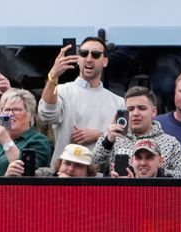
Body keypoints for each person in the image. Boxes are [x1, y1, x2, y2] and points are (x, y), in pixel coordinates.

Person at [38, 36, 124, 168]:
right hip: (64, 174)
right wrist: (53, 76)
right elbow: (46, 114)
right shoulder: (61, 90)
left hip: (101, 178)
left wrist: (100, 135)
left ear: (105, 61)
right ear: (78, 59)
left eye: (95, 55)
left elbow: (125, 143)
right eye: (84, 54)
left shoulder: (118, 102)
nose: (89, 59)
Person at [90, 86, 181, 177]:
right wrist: (108, 142)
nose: (135, 113)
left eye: (142, 108)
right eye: (130, 109)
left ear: (154, 111)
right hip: (119, 196)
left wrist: (154, 173)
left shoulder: (171, 143)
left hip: (158, 197)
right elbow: (92, 168)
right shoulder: (112, 138)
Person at [0, 88, 53, 176]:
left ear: (30, 115)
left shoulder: (39, 141)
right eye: (7, 110)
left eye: (16, 110)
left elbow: (26, 173)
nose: (10, 114)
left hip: (13, 189)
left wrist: (6, 142)